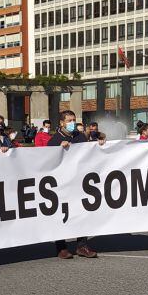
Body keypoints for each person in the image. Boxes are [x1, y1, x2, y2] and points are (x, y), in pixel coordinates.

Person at [48, 110, 105, 259]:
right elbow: (47, 161)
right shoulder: (54, 140)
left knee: (82, 212)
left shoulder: (80, 137)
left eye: (74, 120)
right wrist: (58, 149)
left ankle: (82, 245)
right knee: (62, 214)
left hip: (79, 181)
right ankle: (61, 247)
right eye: (69, 120)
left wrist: (99, 145)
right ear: (61, 123)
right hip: (62, 183)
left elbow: (89, 154)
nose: (72, 123)